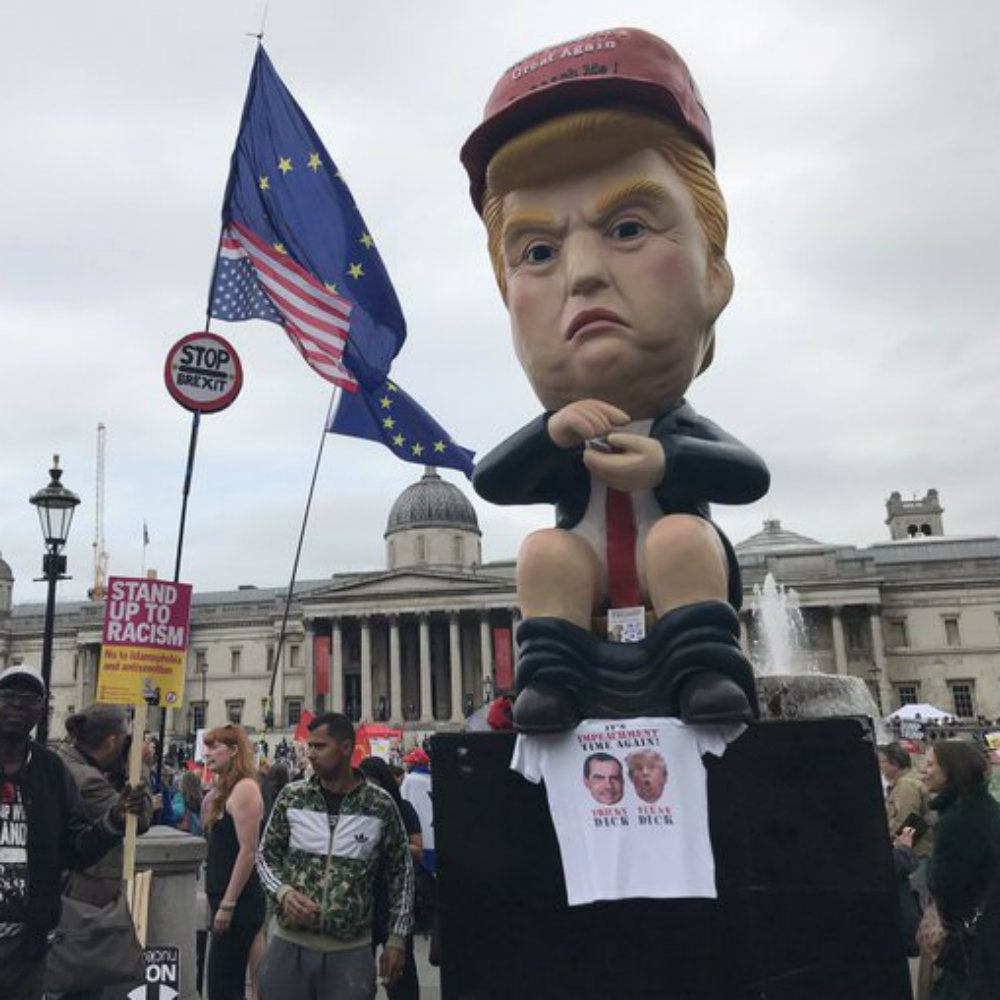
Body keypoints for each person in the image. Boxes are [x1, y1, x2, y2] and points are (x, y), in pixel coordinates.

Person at [462, 28, 770, 733]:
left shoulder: (676, 426)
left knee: (681, 542)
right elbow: (495, 481)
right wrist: (549, 434)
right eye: (538, 251)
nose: (584, 274)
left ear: (715, 275)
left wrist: (668, 460)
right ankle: (552, 682)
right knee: (545, 552)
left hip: (681, 587)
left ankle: (705, 671)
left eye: (628, 229)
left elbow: (748, 475)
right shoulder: (563, 437)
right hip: (587, 589)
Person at [0, 664, 145, 1000]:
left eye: (29, 697)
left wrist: (114, 820)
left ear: (41, 709)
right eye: (8, 695)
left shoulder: (51, 769)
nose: (18, 705)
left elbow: (76, 848)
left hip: (29, 946)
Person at [256, 712, 414, 1000]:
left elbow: (401, 875)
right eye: (309, 746)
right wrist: (283, 892)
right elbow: (265, 856)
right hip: (289, 944)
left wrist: (397, 938)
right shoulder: (292, 797)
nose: (310, 754)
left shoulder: (379, 804)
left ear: (345, 748)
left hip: (350, 950)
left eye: (319, 746)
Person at [54, 704, 154, 1000]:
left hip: (68, 893)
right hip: (84, 899)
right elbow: (140, 818)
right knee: (81, 985)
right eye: (124, 740)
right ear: (112, 741)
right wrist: (140, 766)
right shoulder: (87, 779)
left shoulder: (63, 759)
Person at [920, 740, 1000, 999]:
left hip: (970, 940)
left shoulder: (956, 820)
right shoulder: (986, 807)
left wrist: (923, 865)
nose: (923, 769)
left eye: (930, 764)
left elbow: (945, 885)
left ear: (951, 770)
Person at [202, 724, 266, 1000]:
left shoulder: (245, 788)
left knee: (223, 986)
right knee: (220, 984)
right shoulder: (226, 790)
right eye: (207, 746)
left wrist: (227, 905)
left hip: (238, 903)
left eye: (215, 747)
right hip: (225, 899)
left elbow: (247, 851)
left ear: (234, 751)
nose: (208, 753)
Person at [360, 755, 422, 1000]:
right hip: (364, 901)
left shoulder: (402, 807)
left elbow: (417, 848)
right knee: (360, 973)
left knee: (400, 974)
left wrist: (389, 846)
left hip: (394, 899)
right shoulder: (358, 808)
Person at [173, 769, 204, 835]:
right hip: (197, 835)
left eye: (180, 781)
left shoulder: (179, 798)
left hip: (182, 834)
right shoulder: (201, 799)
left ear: (183, 784)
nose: (178, 783)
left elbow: (177, 813)